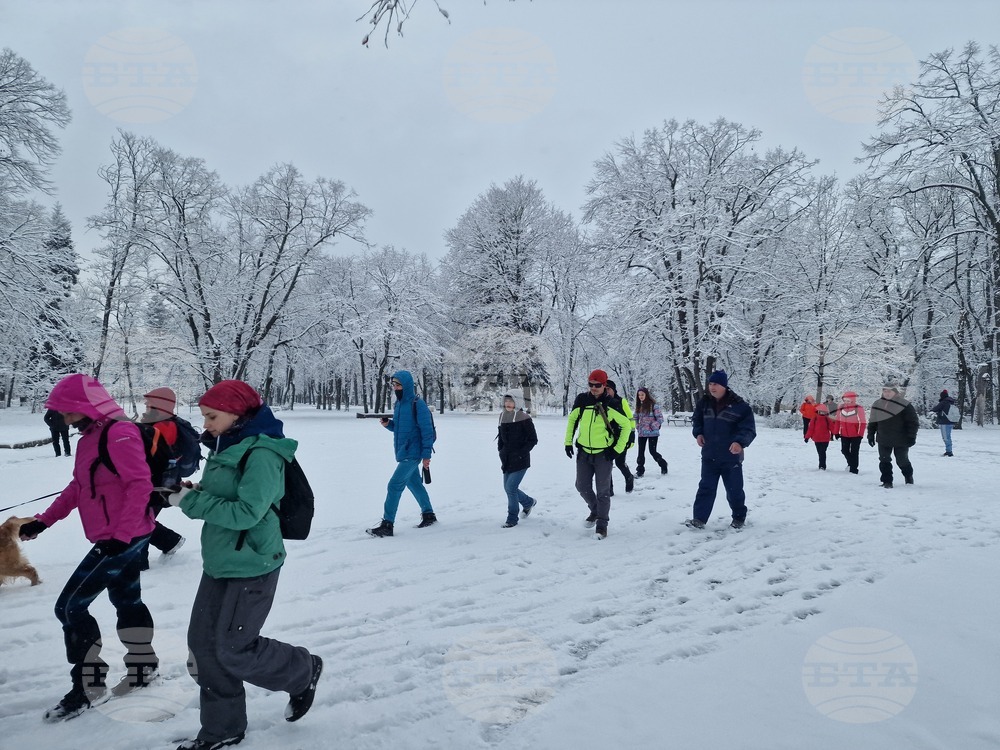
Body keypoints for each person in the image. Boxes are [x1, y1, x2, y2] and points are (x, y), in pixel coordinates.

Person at [169, 379, 322, 750]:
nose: (205, 424)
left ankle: (304, 670)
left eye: (211, 416)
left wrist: (186, 503)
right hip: (220, 560)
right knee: (204, 647)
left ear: (237, 413)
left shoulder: (263, 453)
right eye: (204, 416)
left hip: (253, 561)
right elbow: (226, 496)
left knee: (233, 648)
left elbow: (247, 513)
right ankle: (223, 729)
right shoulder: (227, 445)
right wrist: (193, 491)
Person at [19, 373, 158, 721]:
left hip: (123, 537)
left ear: (85, 407)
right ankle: (144, 667)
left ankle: (89, 686)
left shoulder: (120, 433)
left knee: (69, 608)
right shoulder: (90, 438)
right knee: (128, 599)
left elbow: (140, 485)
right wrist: (44, 520)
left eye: (67, 412)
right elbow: (79, 486)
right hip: (113, 535)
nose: (64, 420)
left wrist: (121, 536)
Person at [367, 370, 437, 537]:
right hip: (404, 450)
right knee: (414, 484)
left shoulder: (417, 404)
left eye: (398, 385)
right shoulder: (399, 405)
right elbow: (398, 428)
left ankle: (387, 524)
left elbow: (427, 431)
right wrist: (388, 424)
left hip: (413, 452)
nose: (395, 388)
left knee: (394, 485)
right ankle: (429, 515)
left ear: (406, 386)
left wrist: (426, 455)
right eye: (394, 385)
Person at [564, 369, 632, 539]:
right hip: (584, 452)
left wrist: (616, 450)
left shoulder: (612, 403)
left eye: (598, 385)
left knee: (603, 491)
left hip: (604, 454)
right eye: (591, 384)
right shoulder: (582, 399)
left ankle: (602, 524)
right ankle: (595, 510)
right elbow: (572, 420)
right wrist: (568, 442)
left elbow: (626, 426)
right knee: (582, 486)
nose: (593, 388)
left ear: (604, 385)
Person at [687, 370, 756, 530]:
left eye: (716, 384)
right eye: (710, 384)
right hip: (709, 455)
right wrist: (698, 433)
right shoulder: (704, 403)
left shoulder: (740, 406)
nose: (712, 387)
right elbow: (697, 420)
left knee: (734, 490)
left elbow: (749, 429)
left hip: (731, 457)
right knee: (706, 488)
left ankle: (739, 517)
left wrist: (740, 442)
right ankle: (699, 519)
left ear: (724, 386)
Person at [139, 387, 188, 567]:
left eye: (149, 402)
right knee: (142, 518)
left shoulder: (164, 426)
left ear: (159, 405)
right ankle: (169, 541)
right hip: (154, 482)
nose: (145, 404)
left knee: (141, 520)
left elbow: (151, 457)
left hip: (158, 484)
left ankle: (139, 562)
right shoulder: (155, 424)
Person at [866, 383, 919, 488]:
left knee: (902, 460)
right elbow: (873, 421)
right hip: (883, 437)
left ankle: (908, 476)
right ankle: (887, 481)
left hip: (901, 438)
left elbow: (913, 422)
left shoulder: (904, 404)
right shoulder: (877, 403)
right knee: (884, 459)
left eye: (889, 391)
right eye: (885, 391)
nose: (887, 393)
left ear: (895, 392)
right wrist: (870, 435)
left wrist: (912, 436)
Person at [497, 394, 538, 527]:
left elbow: (533, 439)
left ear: (517, 402)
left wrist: (521, 453)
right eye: (506, 401)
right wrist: (501, 450)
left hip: (521, 460)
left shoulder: (525, 418)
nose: (508, 403)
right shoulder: (502, 416)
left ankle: (512, 518)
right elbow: (500, 437)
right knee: (509, 488)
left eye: (511, 401)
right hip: (507, 459)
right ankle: (528, 502)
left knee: (510, 488)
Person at [604, 379, 635, 493]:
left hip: (621, 436)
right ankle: (609, 489)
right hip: (606, 437)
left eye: (609, 389)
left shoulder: (621, 401)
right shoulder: (602, 402)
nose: (607, 391)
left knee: (619, 462)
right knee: (607, 464)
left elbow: (630, 419)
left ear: (614, 390)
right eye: (605, 389)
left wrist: (631, 437)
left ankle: (629, 477)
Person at [633, 387, 669, 476]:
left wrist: (653, 426)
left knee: (652, 451)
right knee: (640, 452)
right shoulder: (639, 406)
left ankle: (663, 464)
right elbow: (635, 417)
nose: (640, 397)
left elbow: (660, 418)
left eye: (642, 395)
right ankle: (640, 470)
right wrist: (637, 425)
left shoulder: (653, 405)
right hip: (642, 433)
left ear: (646, 395)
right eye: (639, 395)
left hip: (652, 433)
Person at [832, 391, 866, 474]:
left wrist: (860, 434)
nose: (846, 402)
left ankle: (854, 469)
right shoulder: (841, 408)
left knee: (854, 452)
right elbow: (837, 421)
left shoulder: (858, 408)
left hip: (856, 435)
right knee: (844, 450)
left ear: (853, 400)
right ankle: (851, 464)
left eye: (848, 400)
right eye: (845, 400)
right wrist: (836, 432)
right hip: (844, 434)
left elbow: (862, 422)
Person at [804, 402, 835, 470]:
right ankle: (822, 465)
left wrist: (837, 434)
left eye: (823, 412)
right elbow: (810, 429)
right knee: (820, 452)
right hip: (817, 439)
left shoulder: (827, 419)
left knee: (822, 452)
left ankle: (822, 466)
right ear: (818, 411)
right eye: (821, 411)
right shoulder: (814, 419)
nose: (822, 413)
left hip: (825, 439)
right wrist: (807, 437)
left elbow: (832, 428)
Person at [931, 389, 958, 456]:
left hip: (945, 422)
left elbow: (936, 409)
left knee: (946, 437)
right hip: (950, 421)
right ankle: (949, 450)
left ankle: (949, 451)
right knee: (948, 436)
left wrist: (931, 411)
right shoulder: (951, 402)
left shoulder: (944, 402)